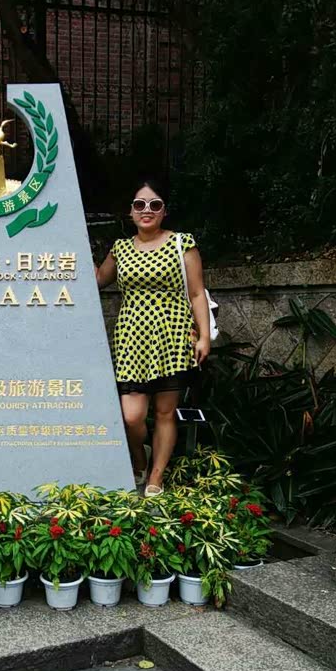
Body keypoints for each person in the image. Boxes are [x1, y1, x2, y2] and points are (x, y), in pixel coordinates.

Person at [95, 180, 210, 496]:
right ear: (131, 211)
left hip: (172, 336)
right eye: (140, 204)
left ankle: (155, 477)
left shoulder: (182, 244)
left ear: (164, 211)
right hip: (132, 338)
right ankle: (139, 459)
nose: (147, 210)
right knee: (131, 417)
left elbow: (196, 293)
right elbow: (97, 280)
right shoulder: (120, 249)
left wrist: (204, 337)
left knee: (164, 413)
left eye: (155, 204)